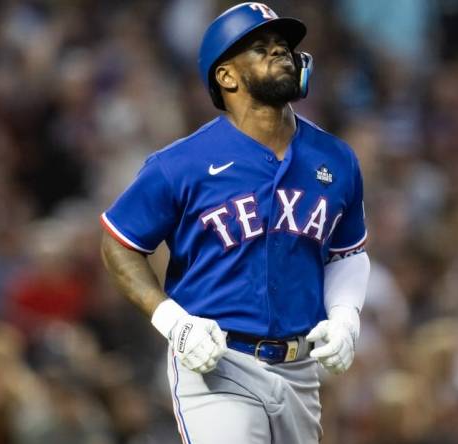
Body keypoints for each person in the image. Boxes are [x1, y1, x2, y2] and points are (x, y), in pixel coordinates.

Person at [100, 3, 370, 443]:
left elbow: (348, 252)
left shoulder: (336, 158)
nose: (281, 53)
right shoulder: (182, 163)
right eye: (262, 48)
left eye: (283, 46)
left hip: (301, 370)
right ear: (226, 76)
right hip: (218, 362)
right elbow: (119, 243)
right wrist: (172, 321)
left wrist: (344, 318)